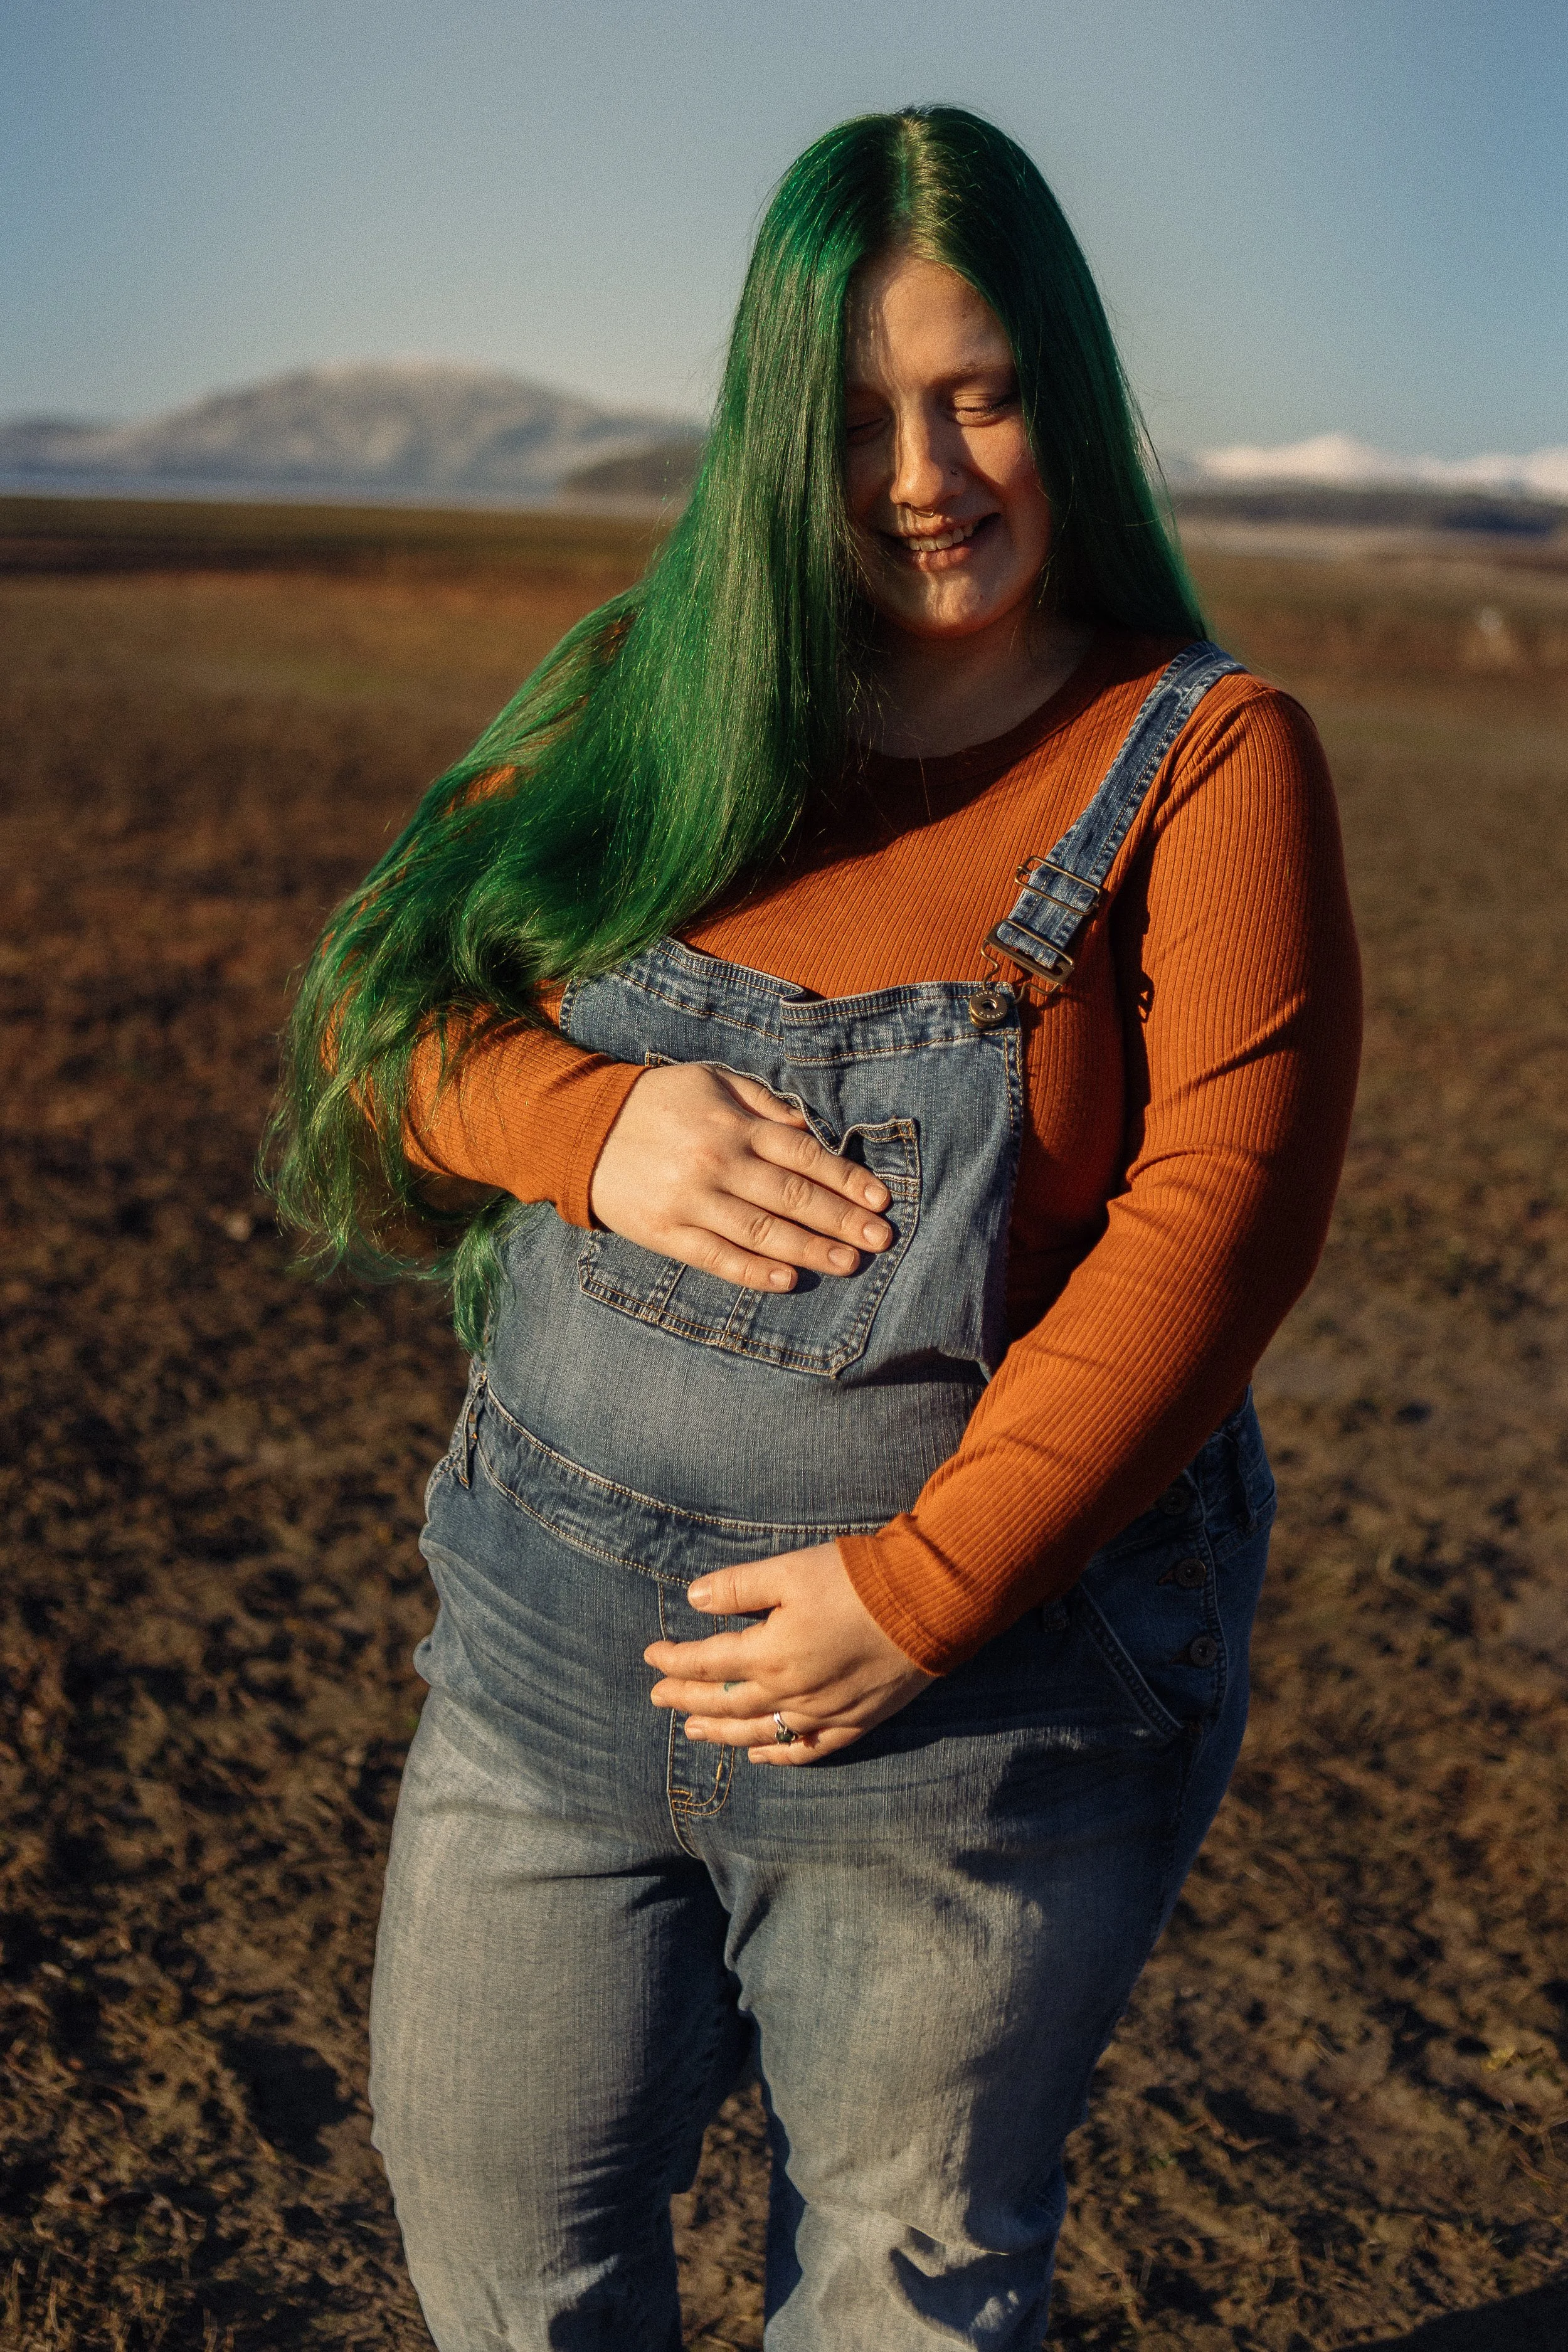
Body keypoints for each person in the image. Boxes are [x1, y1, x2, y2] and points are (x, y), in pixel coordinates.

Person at [270, 104, 1360, 2351]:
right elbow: (384, 1028)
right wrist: (592, 1126)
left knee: (899, 2285)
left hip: (965, 1730)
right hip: (545, 1677)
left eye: (974, 393)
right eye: (857, 416)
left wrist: (919, 1587)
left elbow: (1217, 1223)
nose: (923, 473)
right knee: (496, 2238)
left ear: (1064, 388)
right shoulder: (641, 692)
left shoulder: (1200, 756)